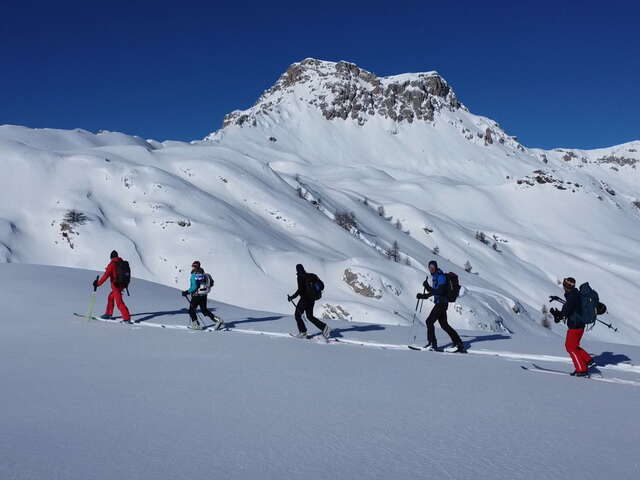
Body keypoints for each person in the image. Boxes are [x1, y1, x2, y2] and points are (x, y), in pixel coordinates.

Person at [416, 260, 466, 353]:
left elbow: (441, 291)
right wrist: (426, 289)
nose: (431, 269)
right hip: (441, 303)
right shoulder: (435, 276)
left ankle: (432, 344)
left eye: (432, 267)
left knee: (429, 321)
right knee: (444, 325)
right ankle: (458, 343)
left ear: (436, 267)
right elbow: (435, 291)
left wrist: (426, 294)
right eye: (429, 267)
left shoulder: (441, 276)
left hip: (441, 303)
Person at [550, 277, 595, 377]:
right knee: (574, 346)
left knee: (570, 347)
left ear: (566, 286)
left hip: (575, 325)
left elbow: (566, 311)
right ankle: (588, 360)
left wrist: (557, 315)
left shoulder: (572, 297)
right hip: (580, 324)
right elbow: (570, 309)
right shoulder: (576, 293)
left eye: (564, 285)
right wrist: (559, 313)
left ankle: (582, 369)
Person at [287, 264, 331, 339]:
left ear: (297, 270)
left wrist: (292, 297)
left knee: (297, 315)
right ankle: (324, 327)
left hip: (304, 299)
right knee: (310, 316)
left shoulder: (300, 277)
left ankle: (303, 332)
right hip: (312, 299)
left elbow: (300, 290)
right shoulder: (310, 275)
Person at [181, 261, 223, 330]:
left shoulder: (194, 275)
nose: (192, 267)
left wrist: (186, 292)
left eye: (193, 266)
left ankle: (196, 325)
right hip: (204, 295)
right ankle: (218, 320)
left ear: (195, 267)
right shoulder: (203, 274)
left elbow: (194, 286)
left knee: (191, 310)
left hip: (196, 295)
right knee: (204, 310)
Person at [93, 250, 132, 323]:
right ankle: (108, 314)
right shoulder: (122, 262)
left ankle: (127, 318)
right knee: (110, 297)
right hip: (122, 285)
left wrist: (98, 284)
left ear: (111, 257)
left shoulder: (112, 264)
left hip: (116, 286)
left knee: (119, 302)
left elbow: (105, 276)